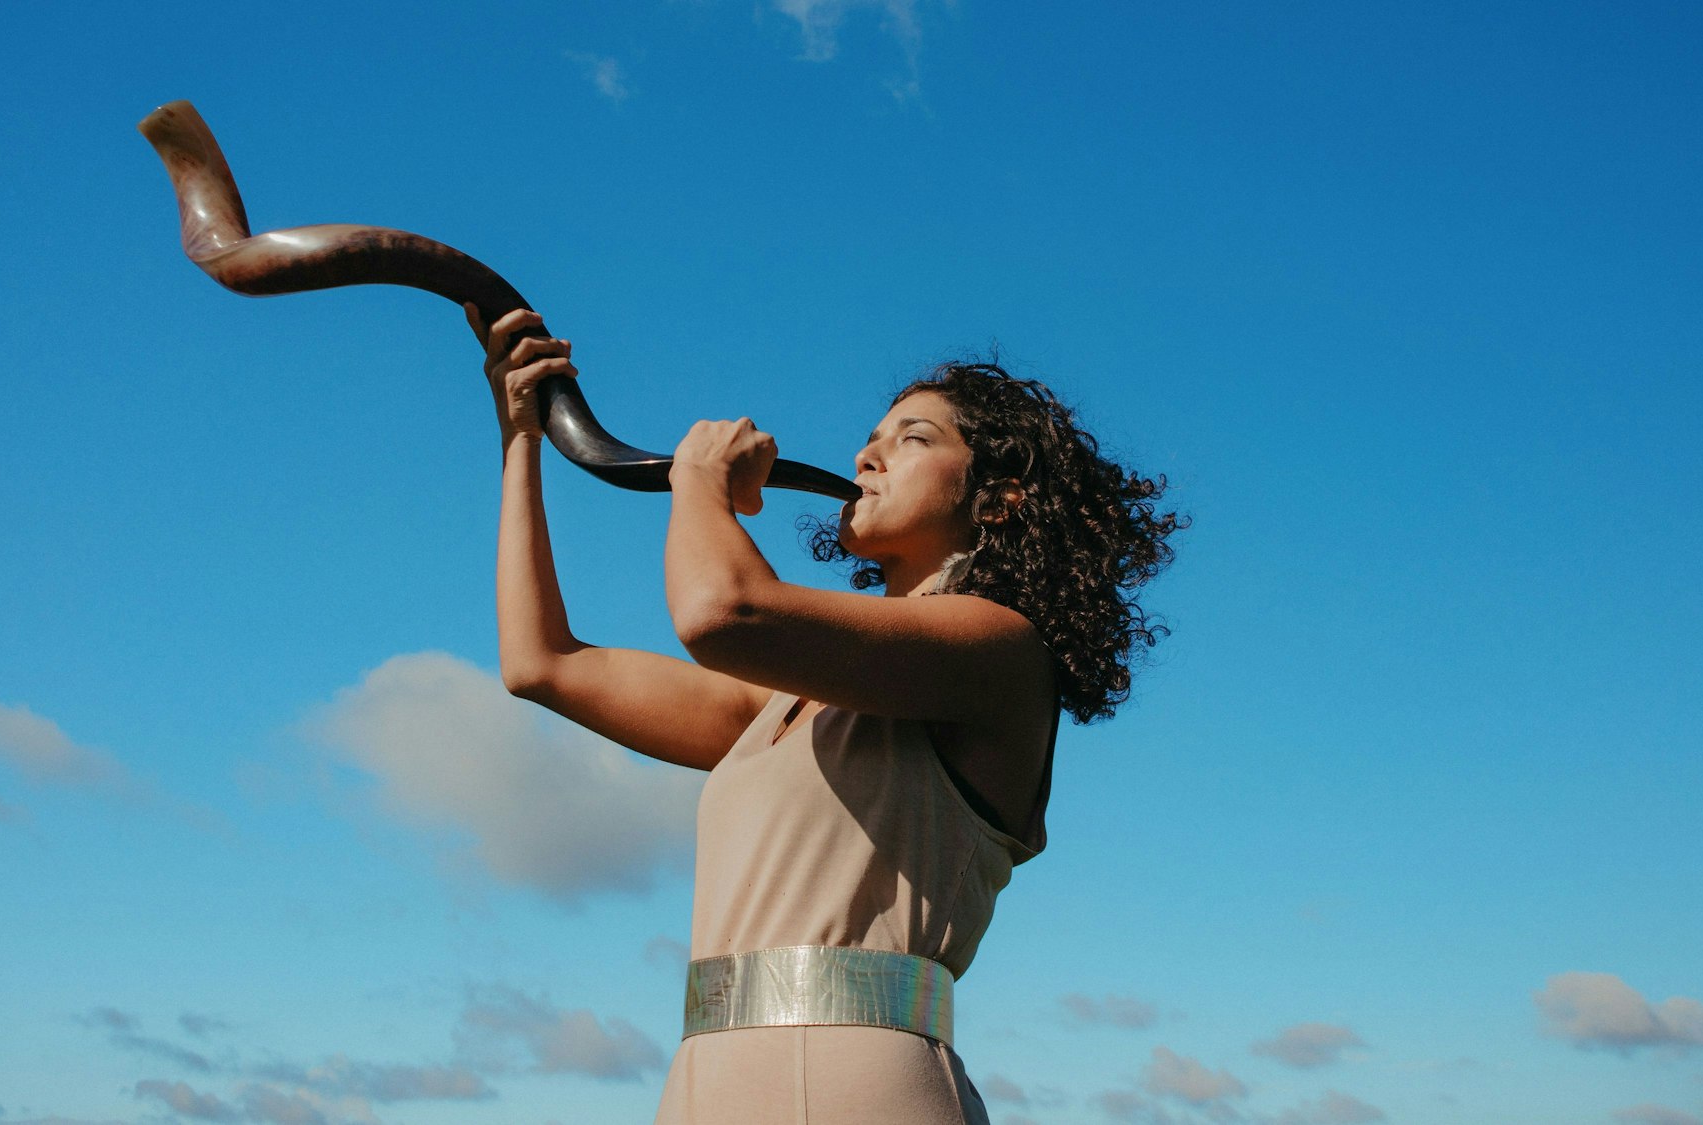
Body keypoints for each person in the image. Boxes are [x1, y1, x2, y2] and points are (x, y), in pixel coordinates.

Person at [465, 303, 1180, 1124]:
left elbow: (721, 610)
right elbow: (543, 664)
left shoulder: (1000, 650)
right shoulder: (778, 708)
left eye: (913, 438)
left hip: (861, 1084)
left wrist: (699, 481)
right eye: (872, 437)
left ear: (997, 500)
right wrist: (521, 441)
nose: (867, 455)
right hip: (701, 1078)